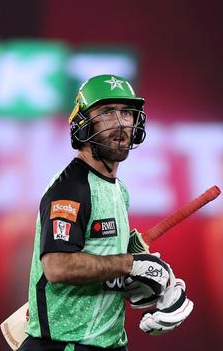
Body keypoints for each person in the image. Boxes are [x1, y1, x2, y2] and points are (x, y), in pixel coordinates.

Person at [19, 75, 193, 351]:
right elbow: (57, 266)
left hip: (109, 343)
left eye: (127, 113)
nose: (121, 123)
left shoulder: (119, 191)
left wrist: (157, 283)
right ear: (83, 124)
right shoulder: (71, 188)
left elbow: (105, 272)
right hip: (66, 345)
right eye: (107, 113)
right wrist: (130, 264)